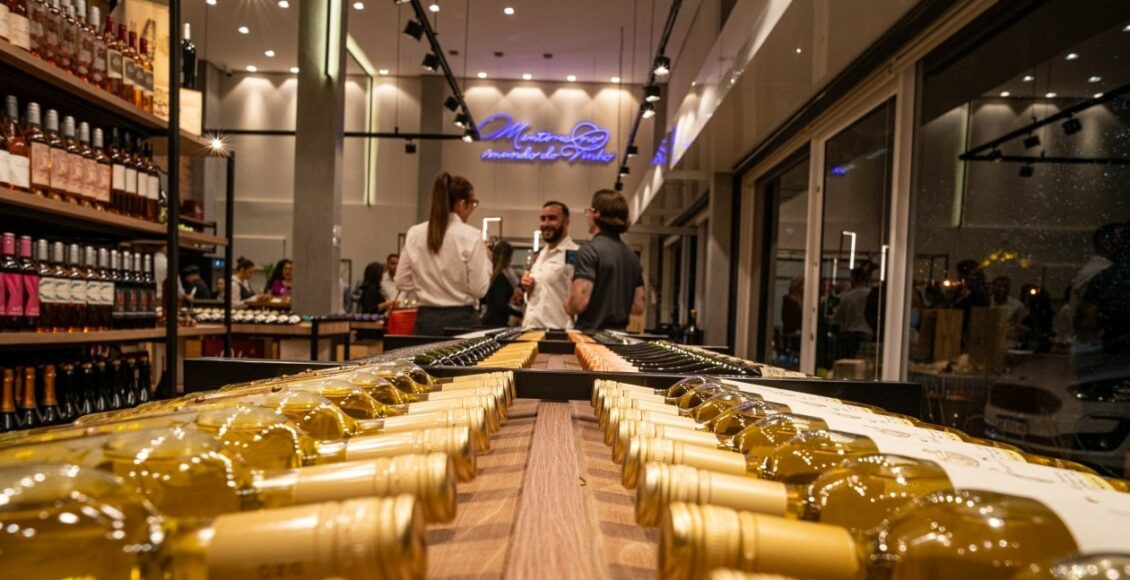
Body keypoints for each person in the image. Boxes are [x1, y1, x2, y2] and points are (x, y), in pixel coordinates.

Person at [395, 172, 491, 335]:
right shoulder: (471, 236)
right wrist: (487, 261)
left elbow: (401, 281)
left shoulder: (415, 233)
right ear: (461, 204)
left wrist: (426, 284)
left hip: (426, 320)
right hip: (462, 320)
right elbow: (479, 289)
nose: (472, 209)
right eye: (473, 203)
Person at [567, 189, 645, 331]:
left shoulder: (589, 250)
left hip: (591, 337)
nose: (588, 215)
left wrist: (568, 306)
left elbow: (579, 302)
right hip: (619, 337)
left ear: (596, 213)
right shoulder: (632, 257)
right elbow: (638, 306)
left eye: (589, 211)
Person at [521, 201, 580, 330]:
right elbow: (540, 296)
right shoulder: (541, 254)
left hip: (557, 332)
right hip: (529, 330)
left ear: (566, 222)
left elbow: (579, 298)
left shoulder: (575, 254)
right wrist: (529, 290)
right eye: (543, 219)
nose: (546, 224)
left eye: (552, 218)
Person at [481, 241, 522, 327]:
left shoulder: (491, 273)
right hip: (495, 323)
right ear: (508, 257)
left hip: (491, 321)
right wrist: (520, 314)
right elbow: (500, 305)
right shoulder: (500, 277)